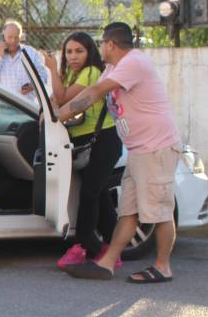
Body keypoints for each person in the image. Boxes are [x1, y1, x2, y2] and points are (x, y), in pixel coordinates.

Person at [58, 23, 181, 284]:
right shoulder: (114, 68)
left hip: (156, 148)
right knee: (128, 212)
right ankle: (106, 263)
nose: (99, 47)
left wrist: (57, 116)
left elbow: (94, 93)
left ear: (110, 44)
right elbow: (93, 95)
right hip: (139, 149)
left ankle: (163, 267)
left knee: (158, 210)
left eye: (101, 43)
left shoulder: (134, 63)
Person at [43, 32, 122, 270]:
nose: (73, 56)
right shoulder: (73, 75)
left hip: (102, 141)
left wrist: (52, 70)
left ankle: (82, 247)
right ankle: (110, 249)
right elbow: (55, 101)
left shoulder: (90, 73)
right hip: (84, 141)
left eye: (79, 51)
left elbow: (62, 97)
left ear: (89, 53)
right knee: (99, 195)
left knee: (89, 194)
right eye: (69, 52)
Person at [0, 20, 48, 104]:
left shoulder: (31, 52)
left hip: (26, 106)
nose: (13, 41)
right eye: (10, 37)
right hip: (1, 106)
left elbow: (44, 76)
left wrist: (32, 85)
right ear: (3, 36)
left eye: (16, 37)